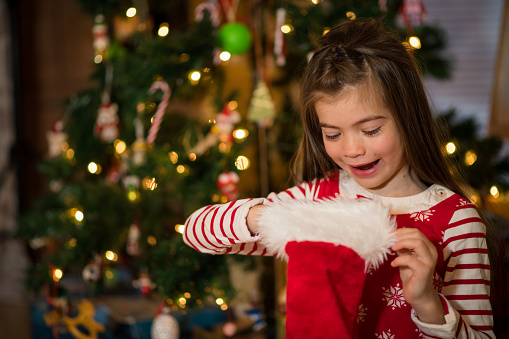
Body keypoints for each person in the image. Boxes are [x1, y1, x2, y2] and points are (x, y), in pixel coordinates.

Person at [184, 17, 495, 338]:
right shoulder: (320, 201)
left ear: (407, 117)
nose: (351, 149)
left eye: (371, 130)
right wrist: (271, 215)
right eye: (332, 134)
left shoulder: (456, 220)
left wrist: (429, 305)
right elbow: (197, 231)